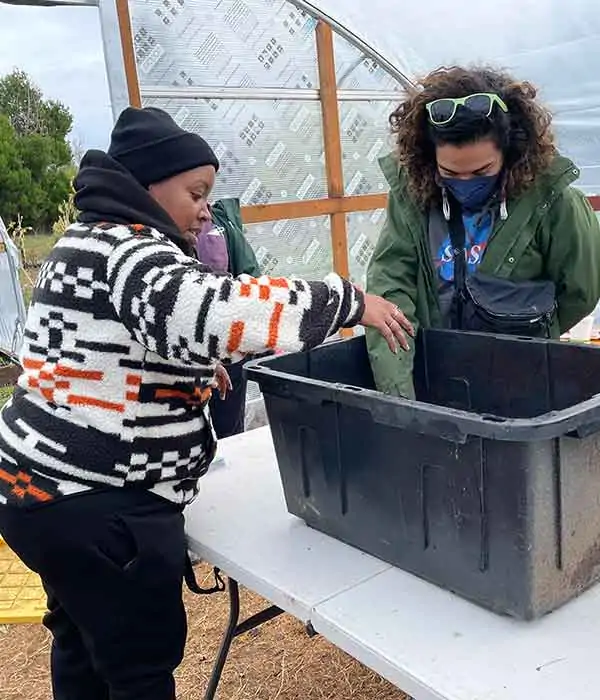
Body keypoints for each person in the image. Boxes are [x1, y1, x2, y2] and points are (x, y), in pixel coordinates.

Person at [0, 106, 412, 700]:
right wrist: (346, 302)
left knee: (83, 643)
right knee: (139, 666)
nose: (204, 210)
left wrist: (192, 368)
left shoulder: (85, 241)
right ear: (145, 186)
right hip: (100, 507)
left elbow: (97, 354)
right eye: (196, 192)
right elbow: (216, 309)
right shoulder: (132, 252)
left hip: (38, 494)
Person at [366, 65, 600, 399]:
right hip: (435, 376)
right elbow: (391, 287)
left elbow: (580, 290)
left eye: (481, 171)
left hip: (518, 381)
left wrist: (526, 336)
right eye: (450, 172)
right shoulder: (412, 198)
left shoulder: (555, 201)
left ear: (511, 152)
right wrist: (400, 398)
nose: (465, 183)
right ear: (429, 159)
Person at [193, 198, 262, 438]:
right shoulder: (221, 222)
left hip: (227, 341)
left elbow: (251, 280)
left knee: (228, 423)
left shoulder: (221, 223)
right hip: (211, 344)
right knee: (223, 425)